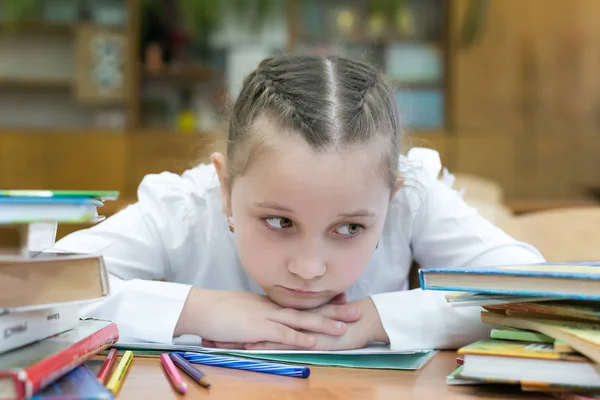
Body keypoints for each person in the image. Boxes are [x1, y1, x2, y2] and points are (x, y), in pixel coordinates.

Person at [53, 55, 544, 352]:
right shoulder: (185, 206)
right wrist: (199, 310)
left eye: (349, 228)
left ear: (391, 196)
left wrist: (378, 321)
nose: (309, 269)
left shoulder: (410, 193)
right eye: (278, 220)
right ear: (225, 187)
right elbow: (39, 289)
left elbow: (538, 293)